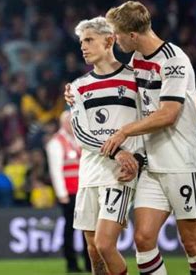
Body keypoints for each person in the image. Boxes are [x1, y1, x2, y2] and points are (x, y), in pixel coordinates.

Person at [100, 1, 196, 275]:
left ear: (132, 36)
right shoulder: (137, 59)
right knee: (143, 238)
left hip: (184, 164)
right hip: (153, 166)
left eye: (116, 34)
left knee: (193, 244)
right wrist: (76, 91)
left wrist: (125, 131)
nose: (114, 40)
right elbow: (117, 85)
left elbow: (168, 114)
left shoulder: (174, 60)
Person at [70, 16, 145, 275]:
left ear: (110, 40)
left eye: (89, 40)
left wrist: (137, 158)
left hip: (119, 174)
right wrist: (116, 150)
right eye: (81, 42)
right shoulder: (78, 87)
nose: (83, 46)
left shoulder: (136, 79)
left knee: (105, 244)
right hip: (90, 173)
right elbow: (81, 134)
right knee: (93, 250)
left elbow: (148, 124)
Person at [46, 110, 91, 273]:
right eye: (71, 121)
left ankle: (89, 262)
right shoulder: (56, 142)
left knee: (87, 228)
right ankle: (71, 263)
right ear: (64, 123)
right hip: (70, 193)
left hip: (83, 190)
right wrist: (61, 193)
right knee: (70, 229)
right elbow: (56, 171)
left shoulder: (78, 139)